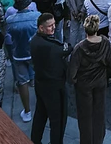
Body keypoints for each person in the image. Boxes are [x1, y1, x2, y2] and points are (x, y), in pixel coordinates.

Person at [69, 14, 111, 144]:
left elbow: (72, 71)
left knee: (85, 116)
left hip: (84, 85)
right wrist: (108, 75)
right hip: (100, 82)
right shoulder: (105, 43)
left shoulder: (79, 48)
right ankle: (98, 139)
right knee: (99, 113)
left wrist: (74, 81)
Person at [31, 12, 70, 144]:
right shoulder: (50, 46)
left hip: (40, 83)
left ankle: (35, 140)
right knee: (57, 120)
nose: (53, 28)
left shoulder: (34, 41)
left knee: (40, 115)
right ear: (41, 28)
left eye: (54, 24)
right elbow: (65, 49)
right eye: (49, 26)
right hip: (54, 87)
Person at [5, 0, 39, 122]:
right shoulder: (36, 16)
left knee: (21, 82)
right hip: (34, 52)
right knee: (38, 77)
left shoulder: (10, 20)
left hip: (19, 53)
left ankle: (27, 110)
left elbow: (8, 38)